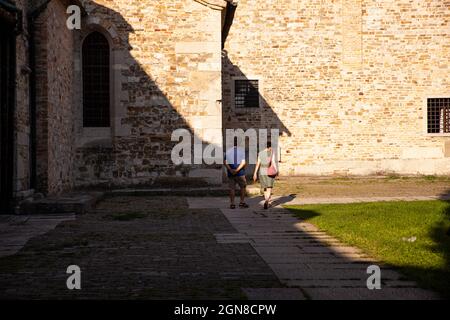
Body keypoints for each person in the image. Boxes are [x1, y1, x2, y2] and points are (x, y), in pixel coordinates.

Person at [224, 139, 249, 209]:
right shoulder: (241, 151)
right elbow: (243, 163)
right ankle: (242, 202)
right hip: (240, 173)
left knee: (232, 188)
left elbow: (225, 162)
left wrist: (230, 170)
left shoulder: (228, 151)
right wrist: (237, 170)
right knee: (243, 188)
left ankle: (232, 204)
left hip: (231, 173)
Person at [253, 142, 278, 209]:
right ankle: (267, 200)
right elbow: (273, 162)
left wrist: (255, 173)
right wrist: (276, 170)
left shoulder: (260, 153)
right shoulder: (272, 153)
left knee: (265, 187)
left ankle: (266, 199)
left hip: (262, 171)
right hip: (269, 170)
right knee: (269, 187)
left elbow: (258, 163)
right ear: (269, 147)